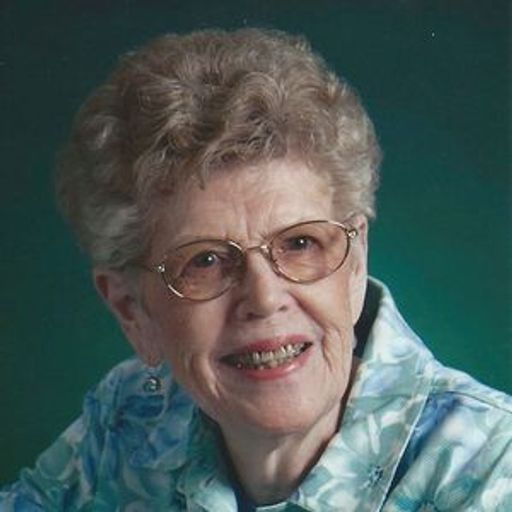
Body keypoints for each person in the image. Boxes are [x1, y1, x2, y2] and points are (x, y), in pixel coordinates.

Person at [1, 28, 511, 511]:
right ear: (131, 309)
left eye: (300, 243)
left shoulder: (490, 472)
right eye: (205, 261)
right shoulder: (132, 416)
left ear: (355, 263)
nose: (265, 298)